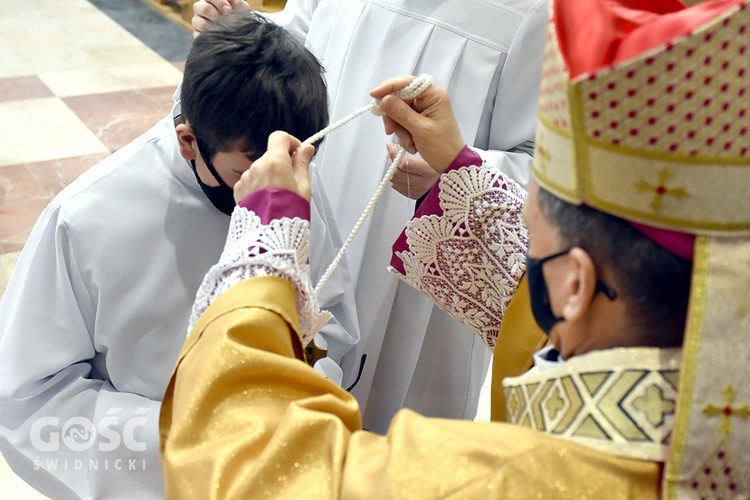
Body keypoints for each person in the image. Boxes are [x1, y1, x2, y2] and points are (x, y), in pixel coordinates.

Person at [160, 0, 750, 497]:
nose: (502, 211)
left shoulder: (492, 479)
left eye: (531, 205)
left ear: (575, 284)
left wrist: (265, 244)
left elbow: (244, 461)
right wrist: (458, 171)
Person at [0, 12, 358, 499]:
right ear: (189, 141)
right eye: (242, 175)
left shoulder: (285, 177)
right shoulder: (86, 216)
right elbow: (31, 397)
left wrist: (293, 395)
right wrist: (187, 437)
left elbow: (330, 321)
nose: (267, 198)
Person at [192, 0, 549, 432]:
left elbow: (545, 166)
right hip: (313, 214)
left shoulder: (538, 10)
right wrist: (247, 36)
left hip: (415, 268)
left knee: (389, 436)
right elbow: (302, 44)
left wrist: (455, 171)